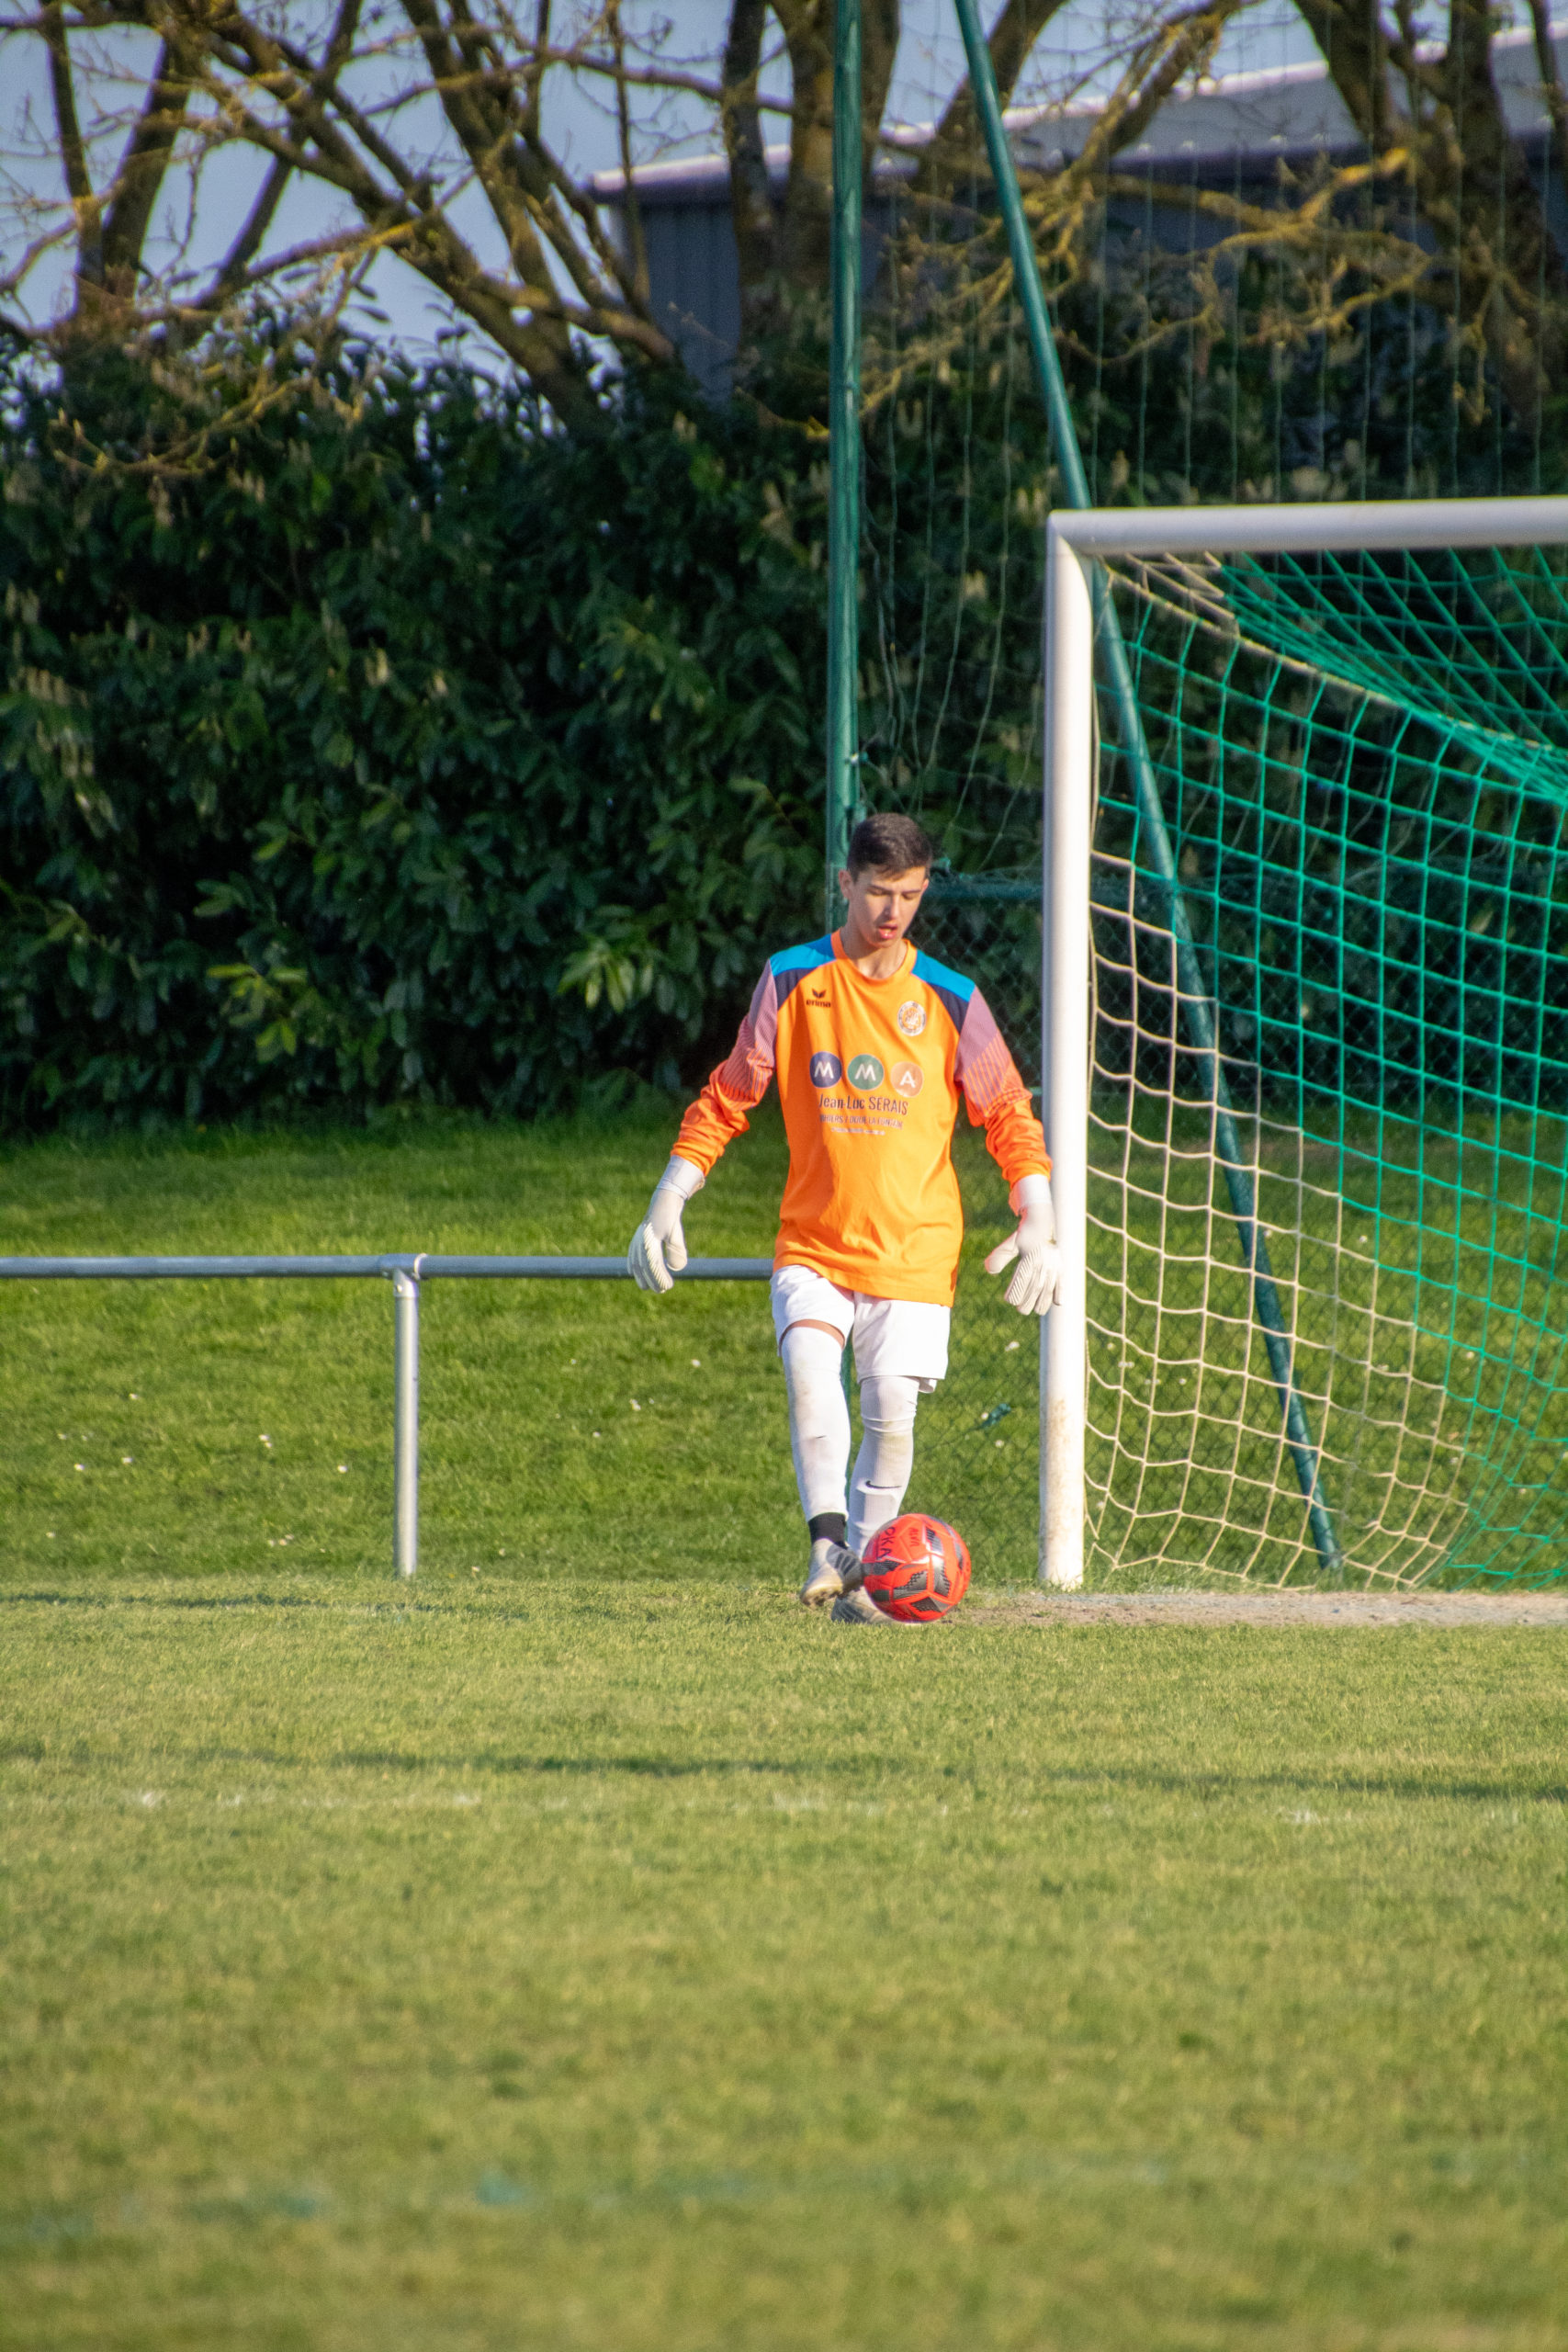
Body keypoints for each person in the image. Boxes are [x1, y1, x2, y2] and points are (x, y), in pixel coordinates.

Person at [626, 811, 1061, 1620]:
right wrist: (670, 1194)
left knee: (890, 1416)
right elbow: (730, 1094)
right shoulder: (792, 979)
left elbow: (1006, 1110)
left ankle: (859, 1584)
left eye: (909, 894)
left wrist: (1036, 1212)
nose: (892, 911)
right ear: (845, 883)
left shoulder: (950, 998)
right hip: (815, 1241)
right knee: (807, 1368)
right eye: (877, 892)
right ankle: (827, 1541)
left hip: (915, 1249)